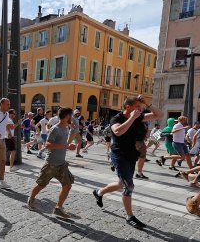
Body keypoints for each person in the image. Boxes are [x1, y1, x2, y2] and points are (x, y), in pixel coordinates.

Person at [92, 96, 162, 229]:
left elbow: (159, 114)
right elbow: (118, 132)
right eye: (138, 107)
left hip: (131, 154)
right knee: (128, 186)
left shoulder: (138, 116)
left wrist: (147, 104)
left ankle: (99, 192)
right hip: (119, 155)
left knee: (120, 184)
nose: (140, 109)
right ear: (128, 107)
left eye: (141, 107)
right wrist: (132, 118)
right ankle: (130, 216)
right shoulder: (116, 118)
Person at [27, 107, 76, 219]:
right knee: (41, 185)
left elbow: (62, 144)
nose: (72, 117)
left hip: (61, 164)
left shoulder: (66, 128)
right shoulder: (56, 128)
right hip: (51, 164)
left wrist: (69, 146)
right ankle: (31, 198)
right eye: (71, 115)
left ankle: (58, 208)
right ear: (66, 116)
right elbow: (48, 145)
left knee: (67, 185)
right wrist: (66, 146)